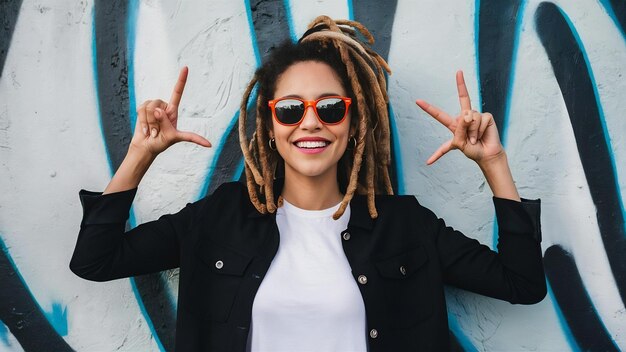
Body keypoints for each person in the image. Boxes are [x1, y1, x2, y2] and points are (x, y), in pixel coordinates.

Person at [70, 16, 545, 352]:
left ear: (354, 123)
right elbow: (95, 259)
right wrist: (139, 156)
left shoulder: (405, 226)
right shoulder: (219, 219)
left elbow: (522, 283)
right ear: (271, 128)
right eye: (292, 110)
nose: (311, 123)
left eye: (331, 108)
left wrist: (494, 164)